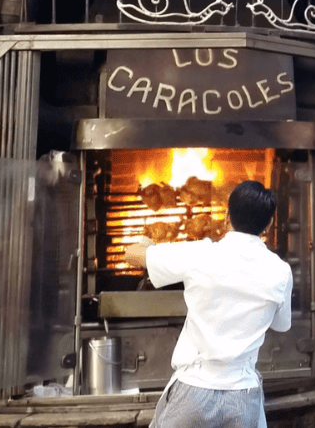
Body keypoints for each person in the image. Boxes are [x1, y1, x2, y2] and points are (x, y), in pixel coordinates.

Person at [124, 180, 292, 428]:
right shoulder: (280, 271)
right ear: (268, 225)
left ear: (226, 216)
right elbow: (282, 325)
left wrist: (149, 245)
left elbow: (131, 254)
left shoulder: (200, 254)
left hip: (194, 389)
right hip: (242, 397)